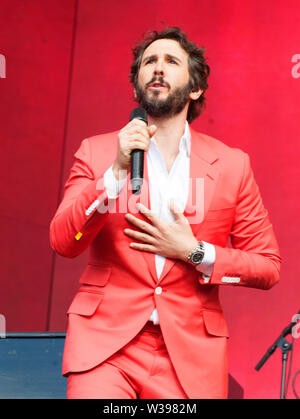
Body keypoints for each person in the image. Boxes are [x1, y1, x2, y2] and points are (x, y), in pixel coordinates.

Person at [50, 27, 281, 399]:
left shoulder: (232, 166)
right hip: (106, 348)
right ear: (137, 84)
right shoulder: (96, 152)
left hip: (189, 356)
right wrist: (115, 173)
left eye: (171, 61)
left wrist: (193, 251)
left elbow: (268, 267)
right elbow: (64, 241)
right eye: (149, 62)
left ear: (195, 88)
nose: (157, 68)